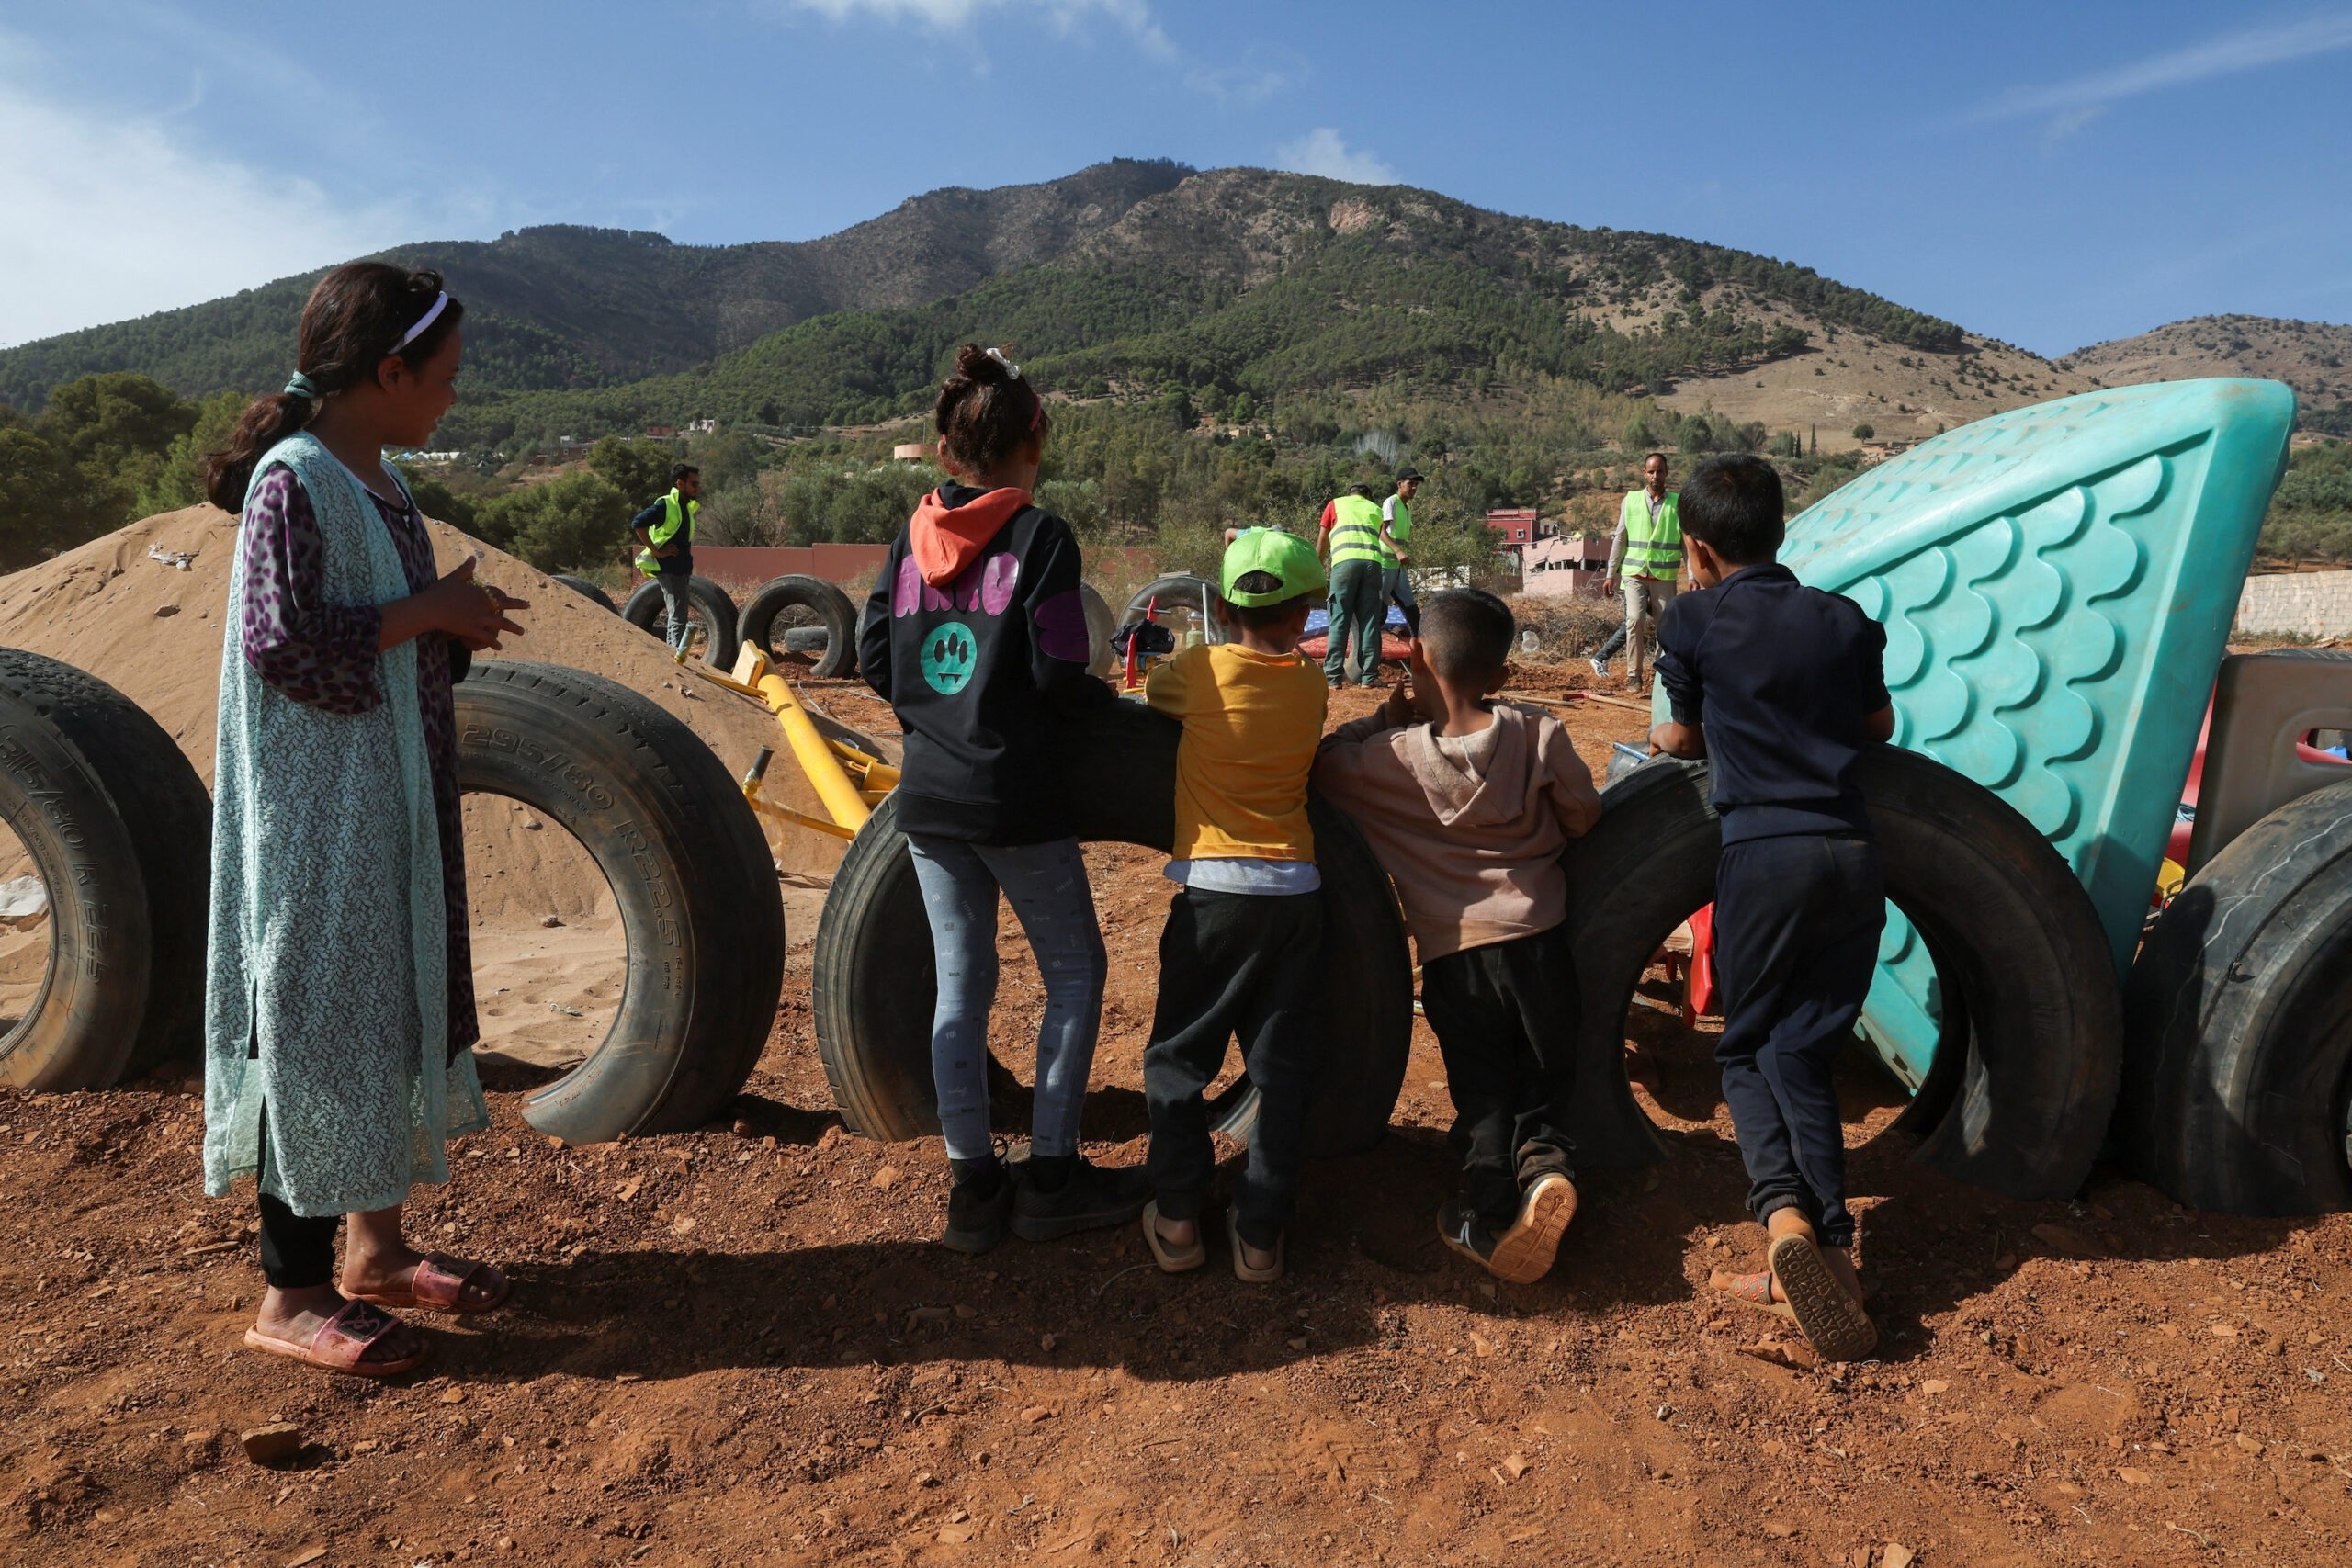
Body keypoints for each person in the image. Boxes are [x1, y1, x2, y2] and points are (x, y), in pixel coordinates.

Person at [202, 263, 528, 1378]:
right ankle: (291, 1295)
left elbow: (376, 633)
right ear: (388, 371)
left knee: (381, 1006)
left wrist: (449, 623)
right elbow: (281, 645)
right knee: (315, 1017)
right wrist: (425, 611)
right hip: (316, 817)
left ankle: (375, 1254)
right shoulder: (292, 480)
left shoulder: (380, 482)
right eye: (441, 377)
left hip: (386, 797)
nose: (450, 397)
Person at [858, 344, 1139, 1253]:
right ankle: (1051, 1175)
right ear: (1037, 437)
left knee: (961, 982)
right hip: (1014, 793)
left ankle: (973, 1187)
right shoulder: (1039, 536)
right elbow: (1061, 665)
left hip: (928, 799)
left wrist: (934, 714)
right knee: (1073, 972)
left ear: (946, 451)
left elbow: (870, 657)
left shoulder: (908, 536)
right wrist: (1098, 704)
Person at [1648, 454, 1894, 1362]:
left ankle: (1785, 1222)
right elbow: (1880, 728)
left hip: (1764, 856)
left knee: (1748, 1045)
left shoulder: (1694, 617)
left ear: (1698, 549)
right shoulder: (1842, 619)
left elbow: (1676, 738)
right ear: (1782, 533)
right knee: (1808, 1049)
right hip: (1853, 852)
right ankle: (1836, 1266)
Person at [1314, 590, 1601, 1283]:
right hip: (1539, 942)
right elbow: (1585, 816)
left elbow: (1323, 764)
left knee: (1482, 1088)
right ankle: (1548, 1171)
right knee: (1541, 1075)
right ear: (1501, 676)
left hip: (1456, 959)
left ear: (1412, 660)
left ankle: (1488, 1211)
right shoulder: (1541, 735)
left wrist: (1388, 714)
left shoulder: (1387, 760)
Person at [1137, 528, 1329, 1283]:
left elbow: (1152, 696)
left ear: (1219, 604)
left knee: (1181, 1054)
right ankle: (1259, 1237)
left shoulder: (1197, 670)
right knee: (1279, 1069)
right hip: (1295, 896)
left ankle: (1180, 1221)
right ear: (1307, 612)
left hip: (1214, 897)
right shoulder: (1312, 686)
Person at [1600, 453, 1681, 689]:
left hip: (1663, 575)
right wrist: (1610, 574)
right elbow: (1620, 538)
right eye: (1651, 471)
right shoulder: (1631, 500)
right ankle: (1633, 675)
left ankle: (1660, 675)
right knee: (1634, 619)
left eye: (1660, 471)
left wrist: (1695, 576)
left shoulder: (1678, 503)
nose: (1656, 476)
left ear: (1666, 473)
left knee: (1665, 625)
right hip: (1634, 573)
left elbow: (1686, 542)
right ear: (1644, 473)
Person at [1316, 483, 1387, 688]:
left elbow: (1323, 541)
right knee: (1369, 621)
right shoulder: (1375, 509)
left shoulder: (1334, 504)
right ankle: (1369, 678)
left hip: (1344, 564)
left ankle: (1332, 678)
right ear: (1368, 495)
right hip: (1372, 565)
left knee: (1339, 619)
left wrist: (1315, 569)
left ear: (1350, 494)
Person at [631, 464, 702, 654]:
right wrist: (656, 551)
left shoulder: (685, 507)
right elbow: (638, 523)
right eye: (693, 483)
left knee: (679, 614)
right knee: (678, 616)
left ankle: (676, 657)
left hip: (682, 567)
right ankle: (676, 659)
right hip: (670, 568)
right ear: (680, 483)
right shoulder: (666, 504)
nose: (697, 487)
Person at [1378, 468, 1425, 638]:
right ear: (1399, 484)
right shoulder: (1391, 502)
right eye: (1410, 483)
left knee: (1412, 610)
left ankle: (1418, 650)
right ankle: (1371, 655)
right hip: (1385, 565)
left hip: (1398, 568)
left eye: (1416, 484)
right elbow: (1381, 532)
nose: (1413, 487)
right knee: (1380, 611)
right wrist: (1398, 551)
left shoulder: (1407, 507)